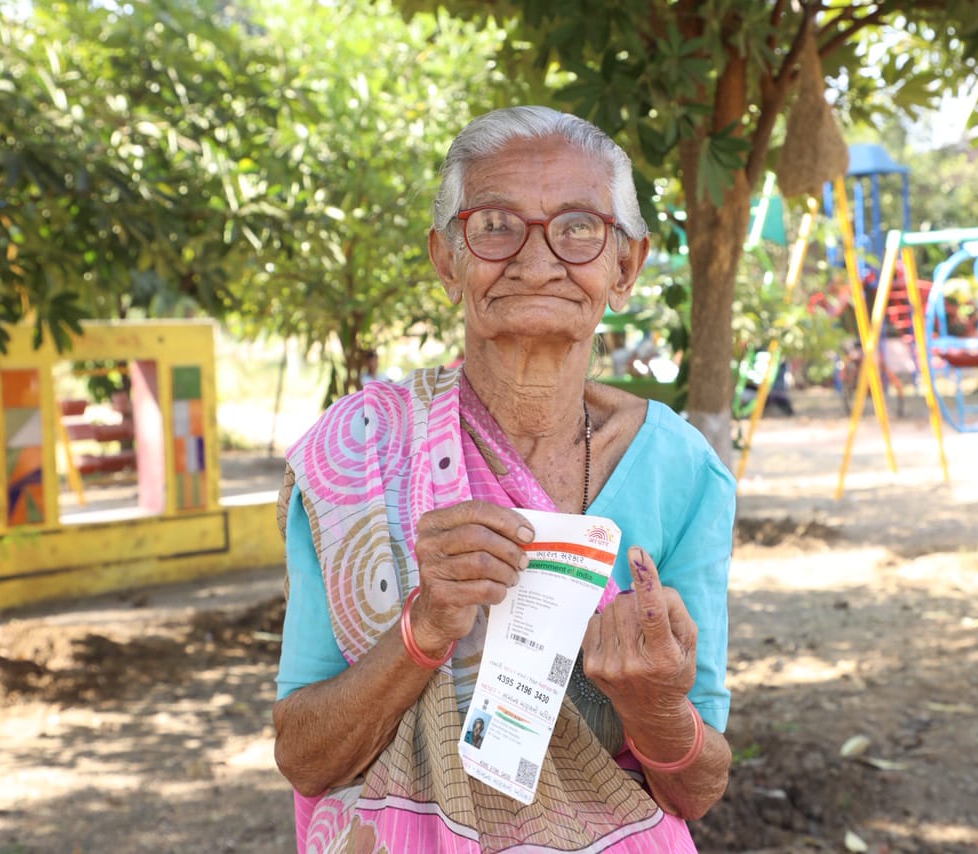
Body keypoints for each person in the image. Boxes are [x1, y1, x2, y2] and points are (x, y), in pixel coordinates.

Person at [272, 105, 735, 853]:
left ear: (626, 266)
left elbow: (699, 788)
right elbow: (305, 758)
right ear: (448, 259)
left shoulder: (680, 471)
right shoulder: (359, 451)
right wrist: (425, 628)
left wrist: (653, 706)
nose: (536, 259)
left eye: (580, 226)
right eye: (494, 224)